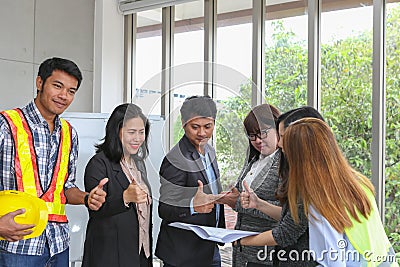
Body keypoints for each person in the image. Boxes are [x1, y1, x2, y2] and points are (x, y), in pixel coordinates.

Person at [242, 118, 398, 266]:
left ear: (299, 157)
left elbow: (332, 261)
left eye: (285, 151)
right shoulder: (357, 183)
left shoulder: (320, 201)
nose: (284, 156)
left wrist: (241, 240)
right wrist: (260, 204)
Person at [0, 57, 107, 266]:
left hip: (58, 245)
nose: (63, 96)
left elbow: (65, 188)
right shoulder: (6, 125)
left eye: (71, 91)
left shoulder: (69, 134)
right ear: (39, 83)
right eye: (57, 86)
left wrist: (86, 198)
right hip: (16, 246)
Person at [239, 106, 324, 266]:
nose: (280, 143)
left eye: (284, 136)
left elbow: (287, 231)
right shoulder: (254, 160)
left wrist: (240, 240)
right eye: (252, 135)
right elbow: (291, 216)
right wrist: (258, 204)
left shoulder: (310, 182)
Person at [155, 95, 225, 267]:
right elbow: (164, 208)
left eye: (208, 126)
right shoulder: (176, 159)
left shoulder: (209, 151)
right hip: (183, 254)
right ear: (184, 123)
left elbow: (210, 193)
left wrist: (223, 197)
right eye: (195, 127)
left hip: (209, 246)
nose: (202, 133)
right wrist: (193, 205)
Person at [82, 103, 152, 267]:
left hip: (140, 253)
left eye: (141, 132)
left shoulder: (138, 164)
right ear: (116, 131)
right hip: (109, 257)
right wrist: (124, 198)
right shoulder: (98, 164)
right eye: (131, 132)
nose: (137, 138)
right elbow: (96, 210)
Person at [217, 104, 281, 266]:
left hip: (266, 254)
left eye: (263, 133)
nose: (258, 140)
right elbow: (240, 197)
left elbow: (288, 213)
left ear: (278, 128)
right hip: (242, 252)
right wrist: (228, 198)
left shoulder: (285, 164)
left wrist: (239, 203)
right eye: (252, 135)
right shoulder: (253, 159)